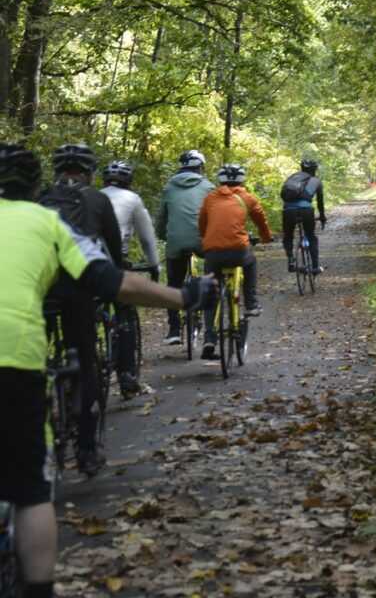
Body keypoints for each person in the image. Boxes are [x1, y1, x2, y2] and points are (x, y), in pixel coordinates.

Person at [0, 142, 215, 598]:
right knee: (30, 489)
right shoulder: (48, 222)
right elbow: (115, 279)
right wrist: (184, 297)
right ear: (35, 186)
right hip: (15, 361)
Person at [40, 143, 124, 475]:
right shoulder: (98, 199)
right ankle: (87, 450)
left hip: (42, 288)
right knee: (86, 363)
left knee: (35, 360)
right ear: (89, 171)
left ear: (57, 170)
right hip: (80, 287)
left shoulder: (40, 199)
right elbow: (114, 250)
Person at [198, 163, 274, 359]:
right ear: (241, 179)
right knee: (250, 262)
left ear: (220, 180)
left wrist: (207, 239)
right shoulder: (246, 197)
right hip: (238, 251)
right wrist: (266, 237)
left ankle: (209, 339)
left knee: (211, 293)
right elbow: (260, 219)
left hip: (213, 253)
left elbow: (202, 223)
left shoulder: (210, 198)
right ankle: (251, 303)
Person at [101, 160, 161, 398]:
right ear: (129, 181)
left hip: (83, 260)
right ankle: (127, 376)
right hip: (115, 261)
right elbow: (147, 238)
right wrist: (154, 265)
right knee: (124, 312)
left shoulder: (93, 196)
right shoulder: (132, 199)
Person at [156, 149, 213, 344]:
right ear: (201, 168)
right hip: (203, 241)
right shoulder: (208, 187)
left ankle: (173, 329)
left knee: (173, 283)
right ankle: (210, 331)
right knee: (212, 276)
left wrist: (163, 236)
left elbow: (161, 218)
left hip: (176, 241)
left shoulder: (169, 187)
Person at [281, 158, 326, 275]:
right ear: (314, 169)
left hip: (288, 210)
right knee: (311, 237)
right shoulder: (316, 181)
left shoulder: (292, 178)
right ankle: (315, 267)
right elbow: (320, 202)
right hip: (306, 211)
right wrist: (322, 217)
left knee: (288, 236)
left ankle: (291, 260)